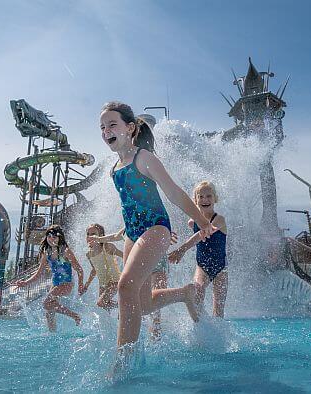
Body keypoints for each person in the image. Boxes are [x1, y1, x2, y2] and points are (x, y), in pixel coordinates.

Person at [99, 101, 217, 353]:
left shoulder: (143, 157)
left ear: (130, 128)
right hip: (133, 233)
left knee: (125, 287)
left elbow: (173, 192)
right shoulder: (114, 169)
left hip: (155, 227)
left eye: (112, 124)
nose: (106, 131)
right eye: (102, 127)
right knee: (142, 303)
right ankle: (185, 294)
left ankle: (123, 362)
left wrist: (203, 220)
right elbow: (131, 205)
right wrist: (120, 233)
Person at [88, 227, 178, 340]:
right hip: (138, 265)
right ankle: (136, 339)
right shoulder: (130, 223)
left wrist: (167, 234)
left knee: (155, 313)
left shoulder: (150, 218)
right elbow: (116, 236)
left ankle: (156, 342)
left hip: (157, 262)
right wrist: (99, 239)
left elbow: (161, 228)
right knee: (140, 304)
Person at [168, 181, 228, 318]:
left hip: (221, 268)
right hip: (202, 266)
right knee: (197, 292)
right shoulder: (192, 222)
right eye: (200, 197)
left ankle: (216, 333)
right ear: (195, 200)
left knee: (218, 311)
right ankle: (201, 325)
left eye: (209, 196)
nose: (205, 200)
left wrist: (181, 250)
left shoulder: (219, 220)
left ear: (215, 198)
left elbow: (202, 234)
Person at [15, 225, 84, 331]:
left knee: (46, 303)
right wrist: (25, 282)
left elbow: (79, 269)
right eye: (49, 236)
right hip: (55, 284)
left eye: (55, 236)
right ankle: (52, 334)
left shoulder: (65, 251)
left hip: (66, 284)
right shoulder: (46, 253)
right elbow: (39, 274)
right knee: (49, 312)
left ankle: (75, 316)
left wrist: (80, 286)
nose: (52, 239)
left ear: (60, 238)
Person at [81, 223, 123, 311]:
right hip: (103, 284)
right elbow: (94, 270)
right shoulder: (89, 254)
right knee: (104, 308)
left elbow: (124, 255)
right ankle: (123, 309)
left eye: (93, 234)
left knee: (100, 303)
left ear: (101, 236)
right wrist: (87, 285)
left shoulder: (107, 247)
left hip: (114, 281)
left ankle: (126, 306)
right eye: (88, 234)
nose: (89, 236)